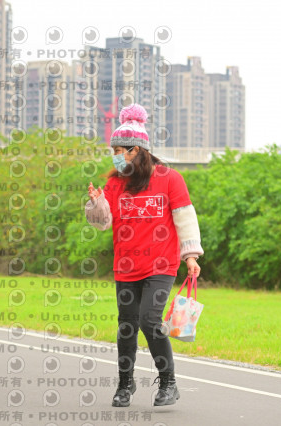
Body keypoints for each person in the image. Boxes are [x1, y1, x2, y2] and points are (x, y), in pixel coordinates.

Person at [85, 103, 203, 407]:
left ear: (137, 150)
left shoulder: (169, 178)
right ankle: (125, 384)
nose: (115, 156)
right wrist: (97, 204)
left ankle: (168, 383)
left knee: (150, 319)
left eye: (120, 150)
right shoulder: (115, 183)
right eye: (114, 150)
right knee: (127, 326)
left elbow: (184, 217)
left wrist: (190, 255)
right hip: (126, 265)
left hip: (161, 264)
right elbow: (102, 223)